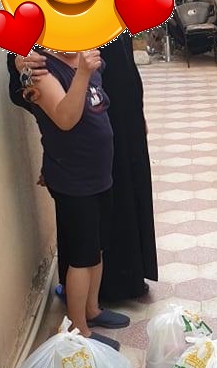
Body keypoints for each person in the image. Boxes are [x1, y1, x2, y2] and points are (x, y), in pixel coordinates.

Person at [9, 32, 158, 304]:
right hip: (74, 145)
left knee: (106, 226)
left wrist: (137, 113)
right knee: (84, 237)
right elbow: (39, 95)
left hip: (114, 125)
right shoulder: (47, 50)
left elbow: (123, 66)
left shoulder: (106, 31)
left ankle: (115, 289)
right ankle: (83, 311)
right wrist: (22, 65)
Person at [8, 48, 131, 350]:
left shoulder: (82, 56)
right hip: (73, 179)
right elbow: (65, 119)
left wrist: (85, 67)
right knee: (81, 257)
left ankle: (92, 310)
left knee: (96, 248)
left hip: (98, 173)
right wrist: (84, 73)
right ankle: (79, 330)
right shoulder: (38, 67)